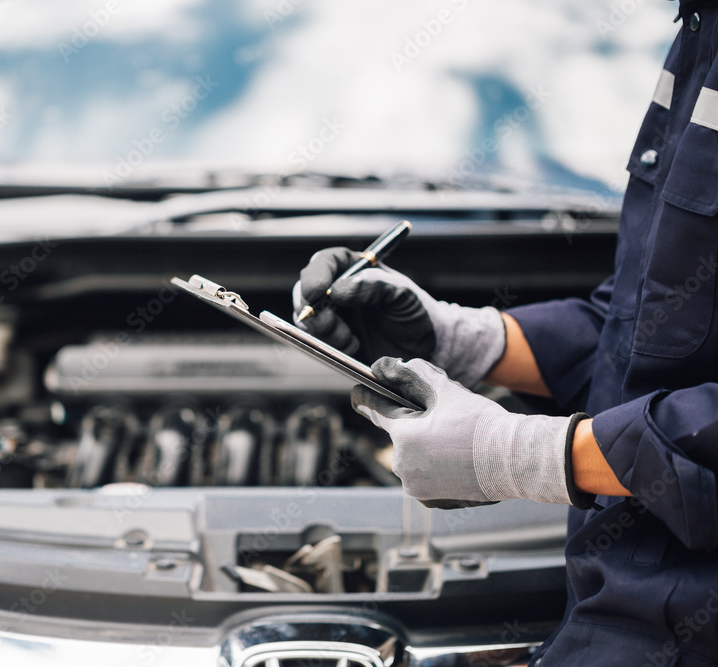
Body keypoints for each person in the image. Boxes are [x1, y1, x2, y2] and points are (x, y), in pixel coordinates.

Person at [294, 3, 718, 664]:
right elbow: (649, 332)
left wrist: (521, 453)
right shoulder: (701, 35)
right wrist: (458, 337)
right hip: (607, 617)